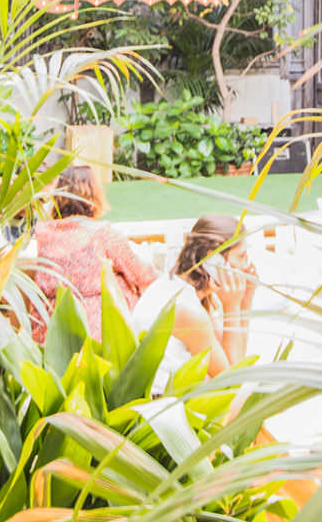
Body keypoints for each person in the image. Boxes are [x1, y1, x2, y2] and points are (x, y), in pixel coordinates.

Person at [129, 213, 257, 386]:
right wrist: (232, 306)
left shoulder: (178, 286)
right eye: (241, 256)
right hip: (162, 399)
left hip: (173, 394)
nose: (245, 266)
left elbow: (232, 357)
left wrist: (245, 300)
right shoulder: (188, 311)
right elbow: (232, 380)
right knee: (253, 386)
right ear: (214, 259)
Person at [32, 165, 157, 342]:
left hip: (50, 330)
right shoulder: (102, 233)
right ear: (95, 194)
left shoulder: (43, 234)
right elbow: (142, 275)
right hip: (95, 330)